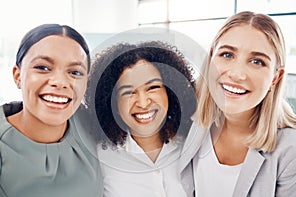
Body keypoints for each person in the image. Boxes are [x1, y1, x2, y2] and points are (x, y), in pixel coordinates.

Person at [179, 11, 296, 197]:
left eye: (257, 61)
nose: (237, 74)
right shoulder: (188, 121)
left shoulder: (293, 149)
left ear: (276, 78)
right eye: (227, 54)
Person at [0, 24, 103, 197]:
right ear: (18, 76)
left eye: (75, 72)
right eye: (43, 68)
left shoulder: (92, 128)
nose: (60, 82)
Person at [84, 40, 197, 197]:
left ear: (170, 91)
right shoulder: (99, 158)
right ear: (113, 102)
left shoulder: (192, 145)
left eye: (152, 88)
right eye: (128, 92)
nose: (143, 103)